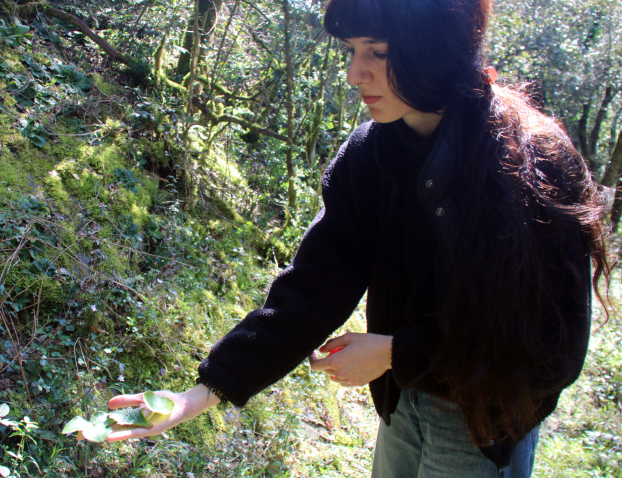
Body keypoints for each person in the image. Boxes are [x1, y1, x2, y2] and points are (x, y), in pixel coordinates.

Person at [103, 0, 610, 476]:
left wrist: (395, 352)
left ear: (434, 44)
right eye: (352, 50)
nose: (354, 74)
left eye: (379, 52)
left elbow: (552, 349)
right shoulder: (369, 156)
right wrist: (196, 396)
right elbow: (311, 290)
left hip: (486, 421)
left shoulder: (532, 161)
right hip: (402, 402)